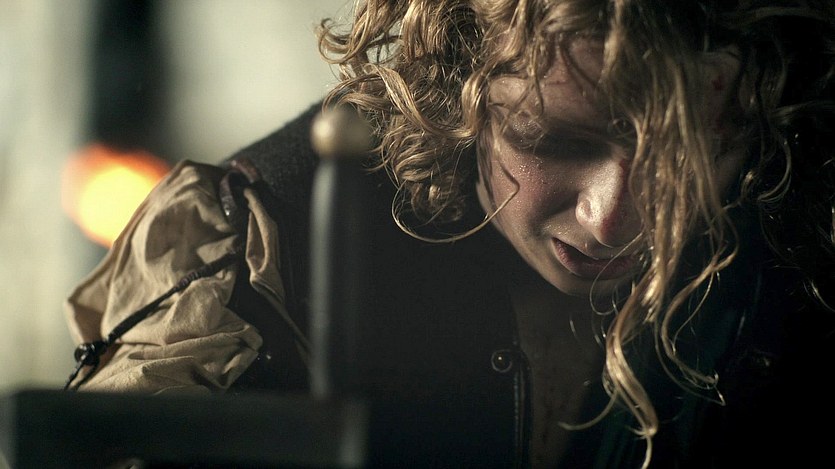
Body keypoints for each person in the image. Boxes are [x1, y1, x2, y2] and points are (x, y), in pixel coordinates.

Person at [64, 0, 835, 467]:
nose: (610, 217)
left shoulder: (791, 239)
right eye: (550, 139)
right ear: (465, 74)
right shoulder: (260, 249)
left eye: (681, 158)